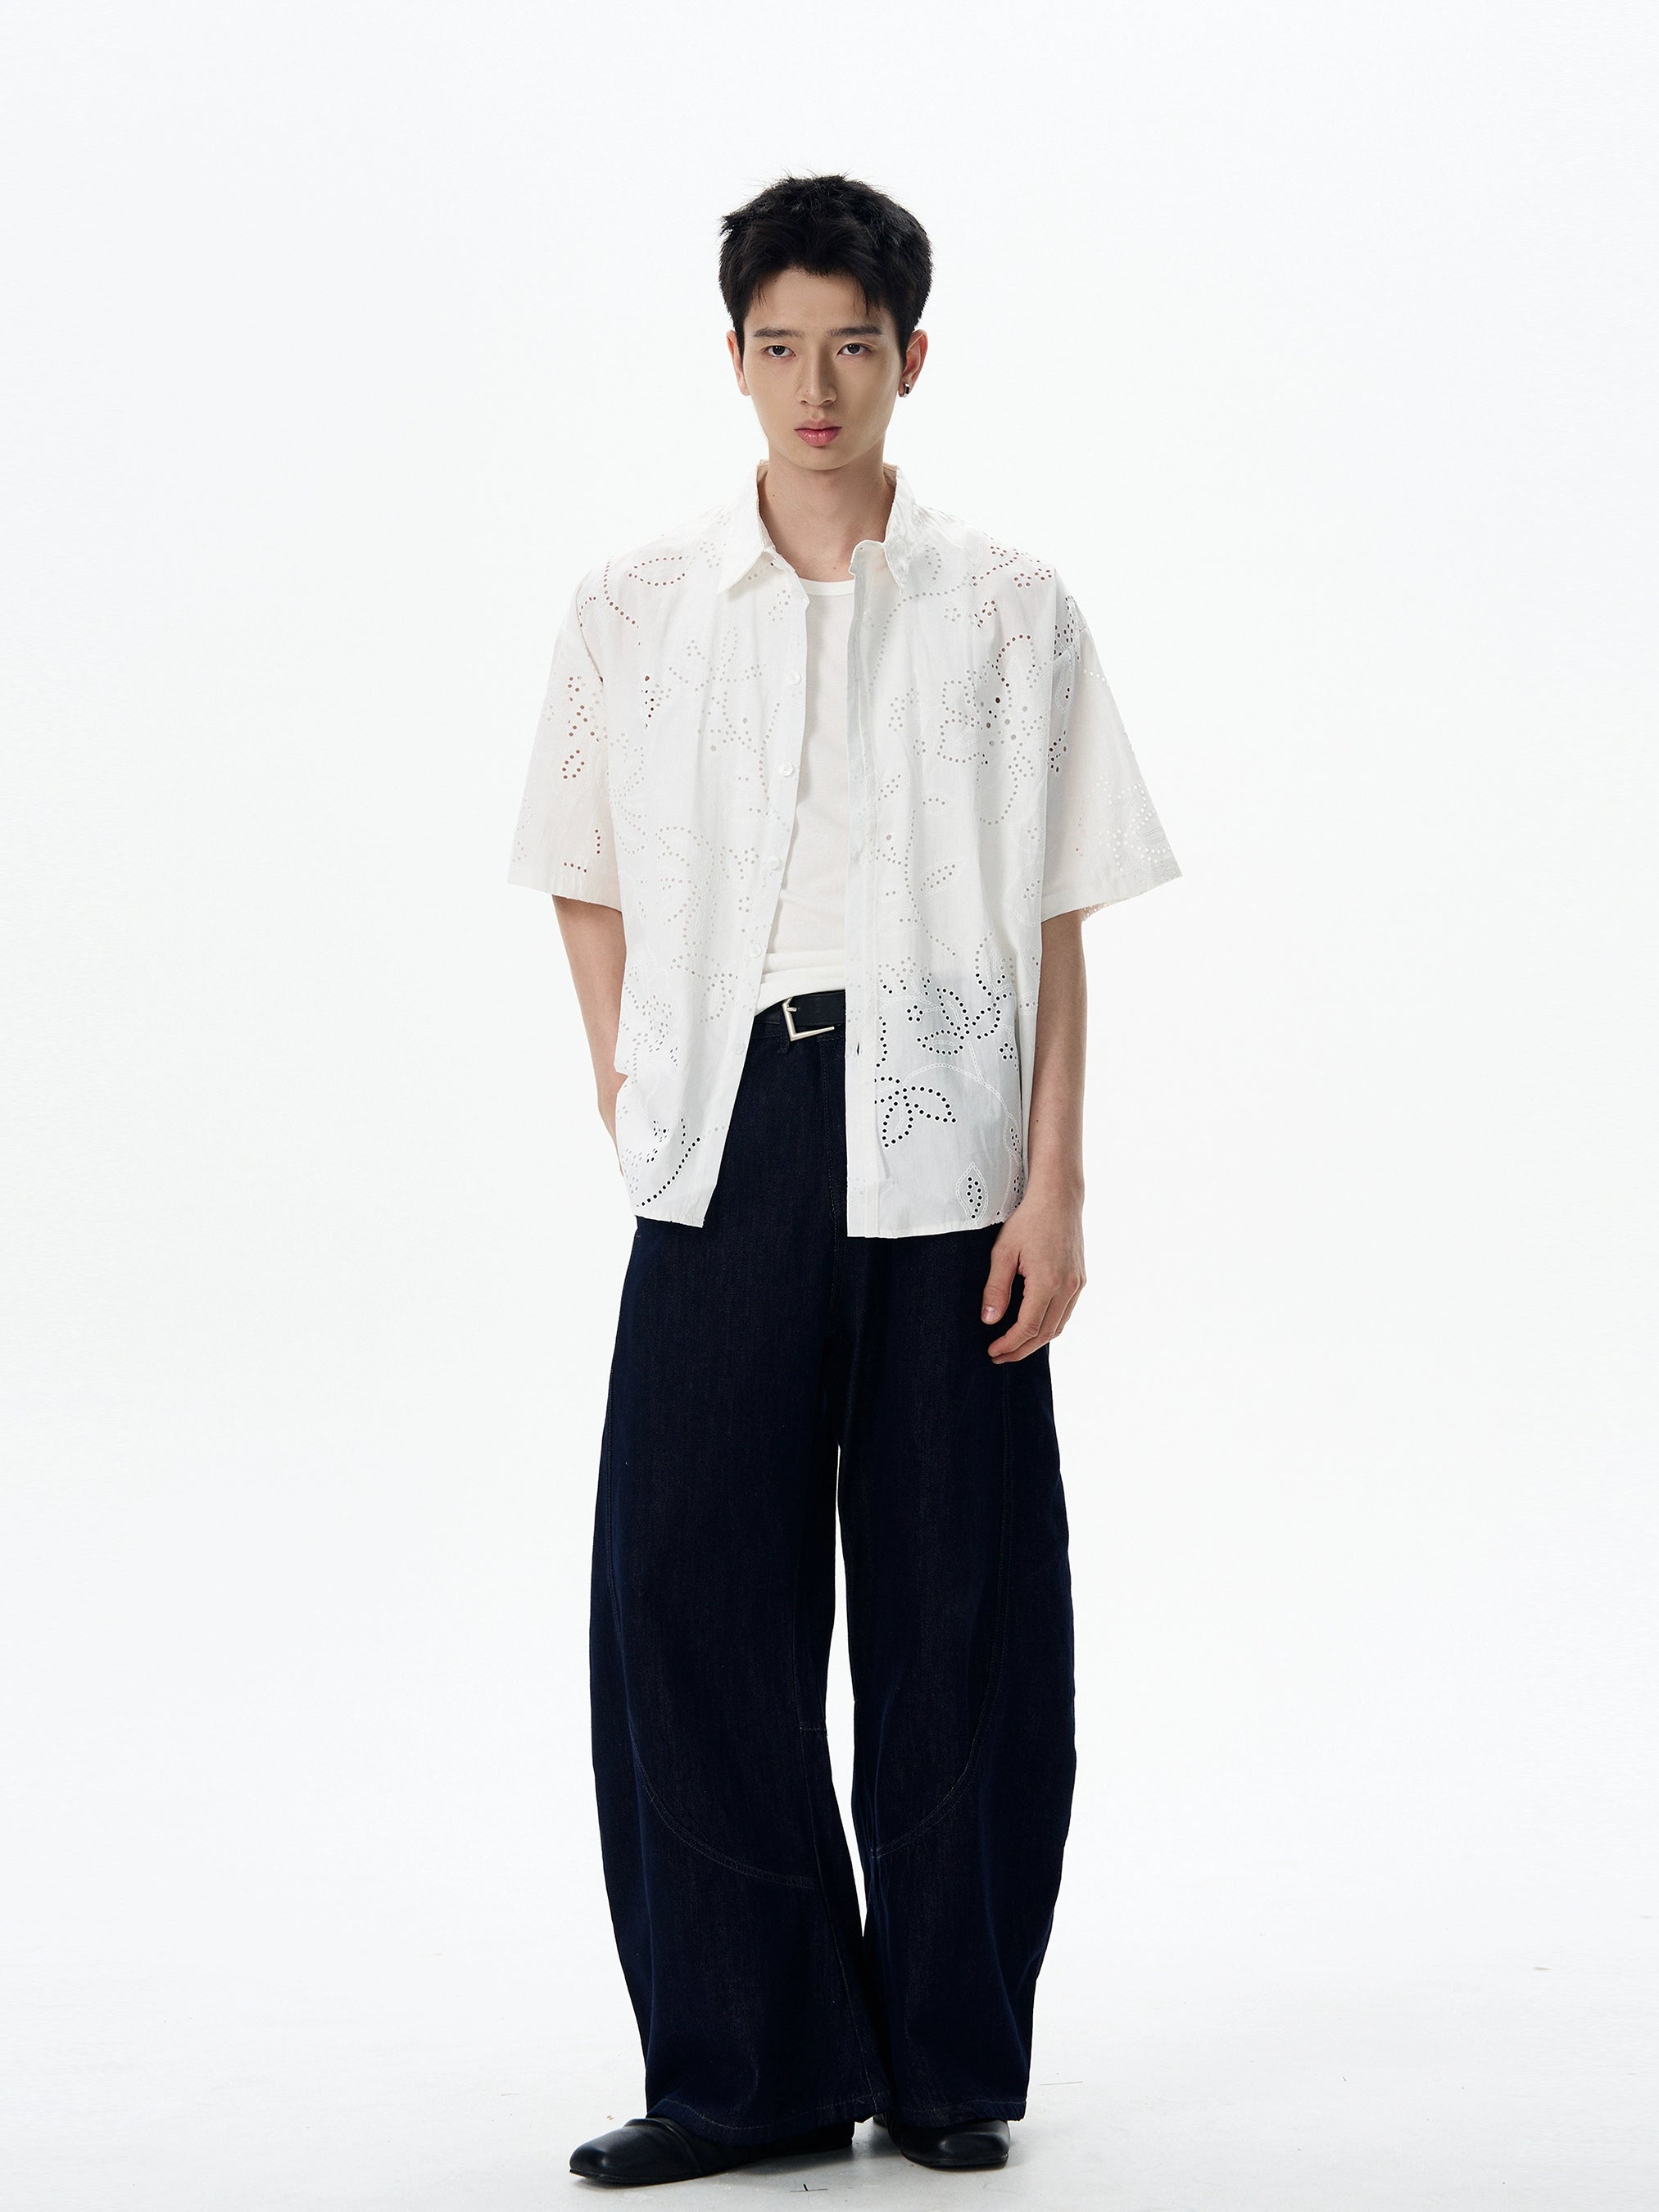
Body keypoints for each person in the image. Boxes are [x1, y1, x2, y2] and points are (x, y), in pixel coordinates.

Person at [505, 173, 1181, 2188]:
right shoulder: (633, 608)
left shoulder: (1007, 609)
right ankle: (748, 2074)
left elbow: (1056, 917)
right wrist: (633, 1088)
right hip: (724, 1138)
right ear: (733, 359)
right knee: (685, 1602)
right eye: (781, 347)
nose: (816, 385)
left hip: (948, 1141)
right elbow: (580, 865)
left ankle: (950, 2066)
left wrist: (1054, 1186)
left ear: (911, 358)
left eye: (853, 348)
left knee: (961, 1608)